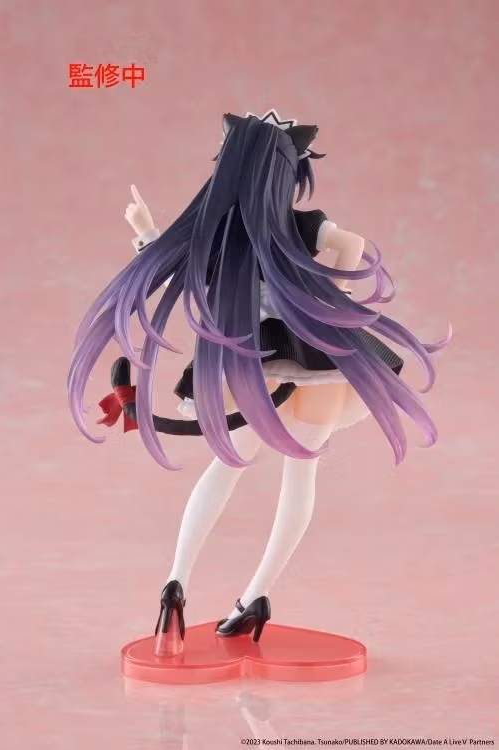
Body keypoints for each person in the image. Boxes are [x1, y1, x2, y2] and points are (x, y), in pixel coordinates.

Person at [68, 110, 450, 651]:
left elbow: (181, 272)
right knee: (298, 473)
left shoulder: (224, 233)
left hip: (251, 360)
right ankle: (256, 596)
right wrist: (325, 294)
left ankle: (176, 583)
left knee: (228, 466)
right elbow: (352, 247)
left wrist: (146, 231)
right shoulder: (302, 226)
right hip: (312, 361)